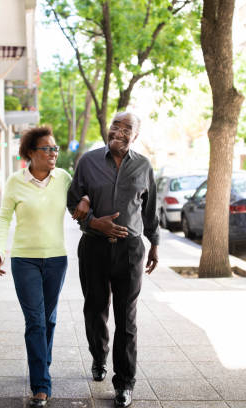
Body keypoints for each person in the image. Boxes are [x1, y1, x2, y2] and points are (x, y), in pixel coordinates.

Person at [67, 112, 159, 408]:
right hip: (93, 247)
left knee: (126, 317)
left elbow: (150, 209)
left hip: (130, 250)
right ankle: (98, 355)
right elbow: (73, 200)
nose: (119, 131)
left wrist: (154, 243)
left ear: (136, 135)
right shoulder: (88, 161)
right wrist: (94, 222)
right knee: (95, 309)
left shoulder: (144, 166)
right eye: (115, 126)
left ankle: (125, 383)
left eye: (127, 128)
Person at [0, 126, 85, 407]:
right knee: (36, 321)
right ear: (31, 153)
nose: (54, 153)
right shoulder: (16, 182)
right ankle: (41, 385)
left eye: (55, 148)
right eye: (47, 149)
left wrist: (86, 199)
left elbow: (81, 198)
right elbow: (5, 217)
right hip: (24, 260)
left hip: (56, 259)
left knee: (49, 318)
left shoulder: (64, 178)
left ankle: (41, 361)